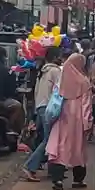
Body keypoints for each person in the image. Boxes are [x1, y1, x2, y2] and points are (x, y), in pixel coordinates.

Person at [47, 53, 93, 190]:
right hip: (77, 121)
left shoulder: (61, 80)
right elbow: (86, 105)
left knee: (59, 148)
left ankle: (58, 179)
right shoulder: (84, 82)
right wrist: (88, 124)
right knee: (78, 149)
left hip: (61, 119)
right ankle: (78, 179)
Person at [21, 47, 63, 182]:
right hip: (49, 108)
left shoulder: (43, 70)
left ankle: (51, 168)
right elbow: (59, 92)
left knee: (43, 138)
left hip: (40, 106)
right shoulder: (56, 71)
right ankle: (30, 166)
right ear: (56, 57)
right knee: (49, 140)